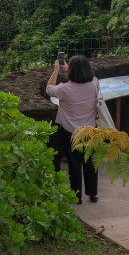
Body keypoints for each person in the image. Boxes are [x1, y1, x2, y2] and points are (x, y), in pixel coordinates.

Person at [46, 55, 98, 204]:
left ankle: (77, 196)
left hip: (70, 131)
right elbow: (89, 78)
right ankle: (93, 194)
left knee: (74, 163)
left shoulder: (65, 89)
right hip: (90, 130)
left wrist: (56, 70)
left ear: (72, 71)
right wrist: (73, 68)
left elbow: (49, 89)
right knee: (90, 162)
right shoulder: (95, 83)